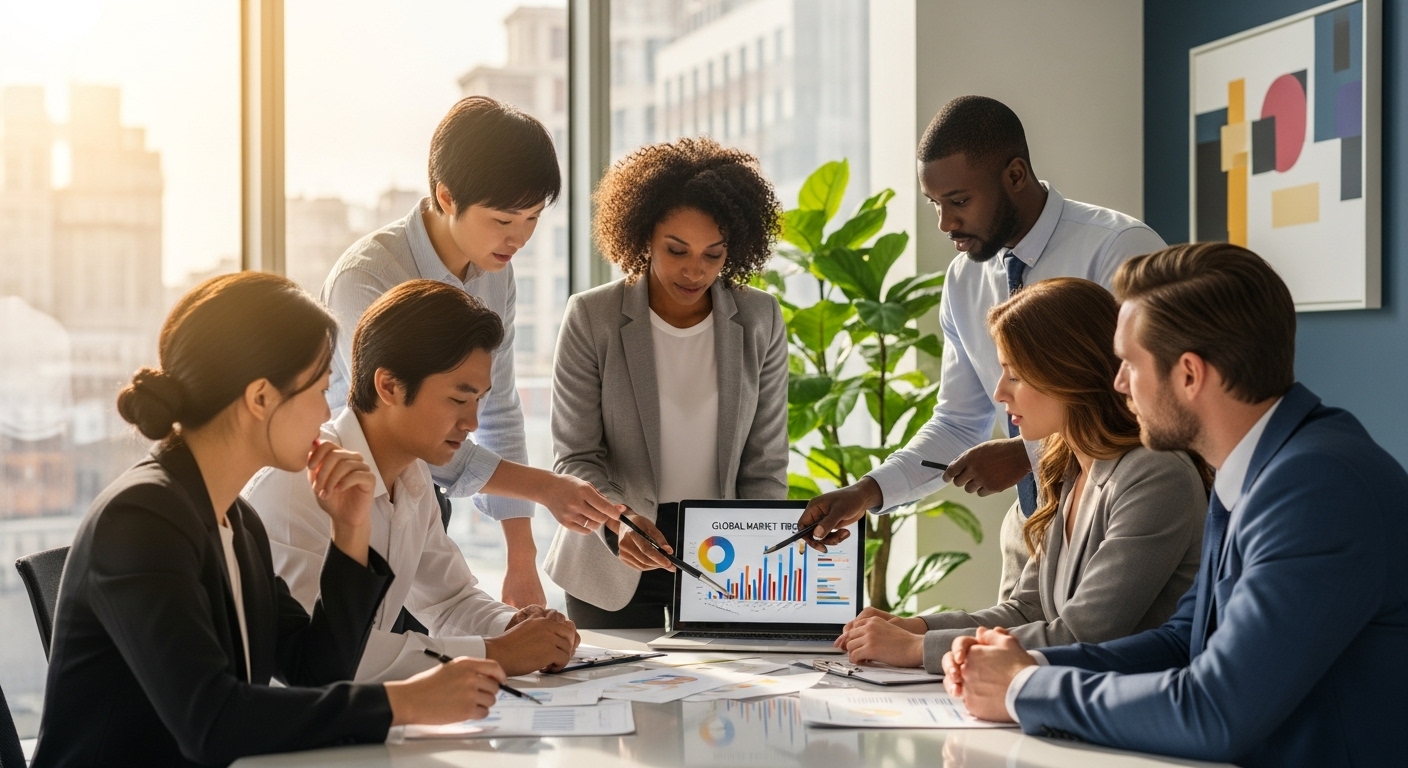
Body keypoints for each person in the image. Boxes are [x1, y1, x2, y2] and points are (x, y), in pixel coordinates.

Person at [943, 244, 1408, 767]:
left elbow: (1215, 711)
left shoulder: (1318, 488)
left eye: (1129, 363)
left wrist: (1024, 686)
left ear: (1189, 374)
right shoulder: (1259, 469)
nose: (1117, 384)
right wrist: (1022, 663)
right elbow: (1181, 641)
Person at [32, 273, 505, 768]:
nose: (328, 410)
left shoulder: (237, 522)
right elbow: (211, 721)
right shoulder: (141, 518)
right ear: (261, 398)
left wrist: (350, 534)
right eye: (319, 390)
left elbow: (317, 669)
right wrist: (404, 703)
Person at [795, 96, 1167, 600]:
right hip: (1032, 531)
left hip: (1121, 523)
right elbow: (957, 423)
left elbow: (1149, 405)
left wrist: (1024, 450)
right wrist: (867, 492)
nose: (946, 223)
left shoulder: (1119, 248)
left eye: (959, 201)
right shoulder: (964, 280)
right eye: (935, 205)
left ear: (1015, 175)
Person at [320, 95, 616, 609]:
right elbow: (407, 425)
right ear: (446, 196)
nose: (519, 238)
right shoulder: (367, 278)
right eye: (504, 219)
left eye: (532, 218)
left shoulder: (495, 273)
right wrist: (545, 488)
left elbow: (497, 408)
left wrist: (520, 562)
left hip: (421, 499)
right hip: (345, 501)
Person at [834, 278, 1208, 671]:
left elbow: (1082, 635)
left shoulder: (1154, 475)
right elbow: (1028, 609)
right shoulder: (1065, 467)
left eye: (1015, 374)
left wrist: (917, 649)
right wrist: (917, 628)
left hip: (1125, 711)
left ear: (1068, 373)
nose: (999, 392)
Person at [246, 280, 579, 682]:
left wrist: (516, 628)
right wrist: (499, 653)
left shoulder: (412, 472)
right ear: (388, 386)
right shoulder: (297, 483)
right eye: (458, 399)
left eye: (479, 401)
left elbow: (449, 600)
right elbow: (317, 662)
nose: (472, 423)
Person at [544, 138, 789, 628]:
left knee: (723, 699)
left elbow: (764, 463)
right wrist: (619, 522)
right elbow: (576, 456)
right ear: (643, 236)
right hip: (610, 555)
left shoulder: (761, 319)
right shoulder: (592, 317)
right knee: (614, 697)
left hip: (721, 557)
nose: (694, 269)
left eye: (713, 254)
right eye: (676, 249)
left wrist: (753, 555)